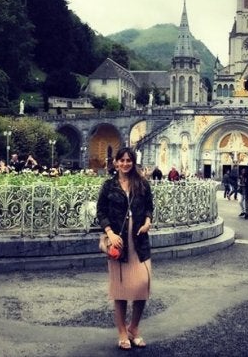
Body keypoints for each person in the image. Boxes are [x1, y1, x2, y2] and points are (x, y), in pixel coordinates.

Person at [96, 147, 153, 351]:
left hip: (139, 241)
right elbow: (100, 212)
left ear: (133, 162)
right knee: (120, 290)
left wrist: (148, 222)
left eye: (129, 160)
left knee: (142, 286)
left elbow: (149, 207)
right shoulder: (109, 186)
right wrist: (110, 233)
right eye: (122, 160)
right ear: (116, 163)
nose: (125, 164)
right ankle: (122, 332)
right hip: (119, 243)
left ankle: (134, 328)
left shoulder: (142, 184)